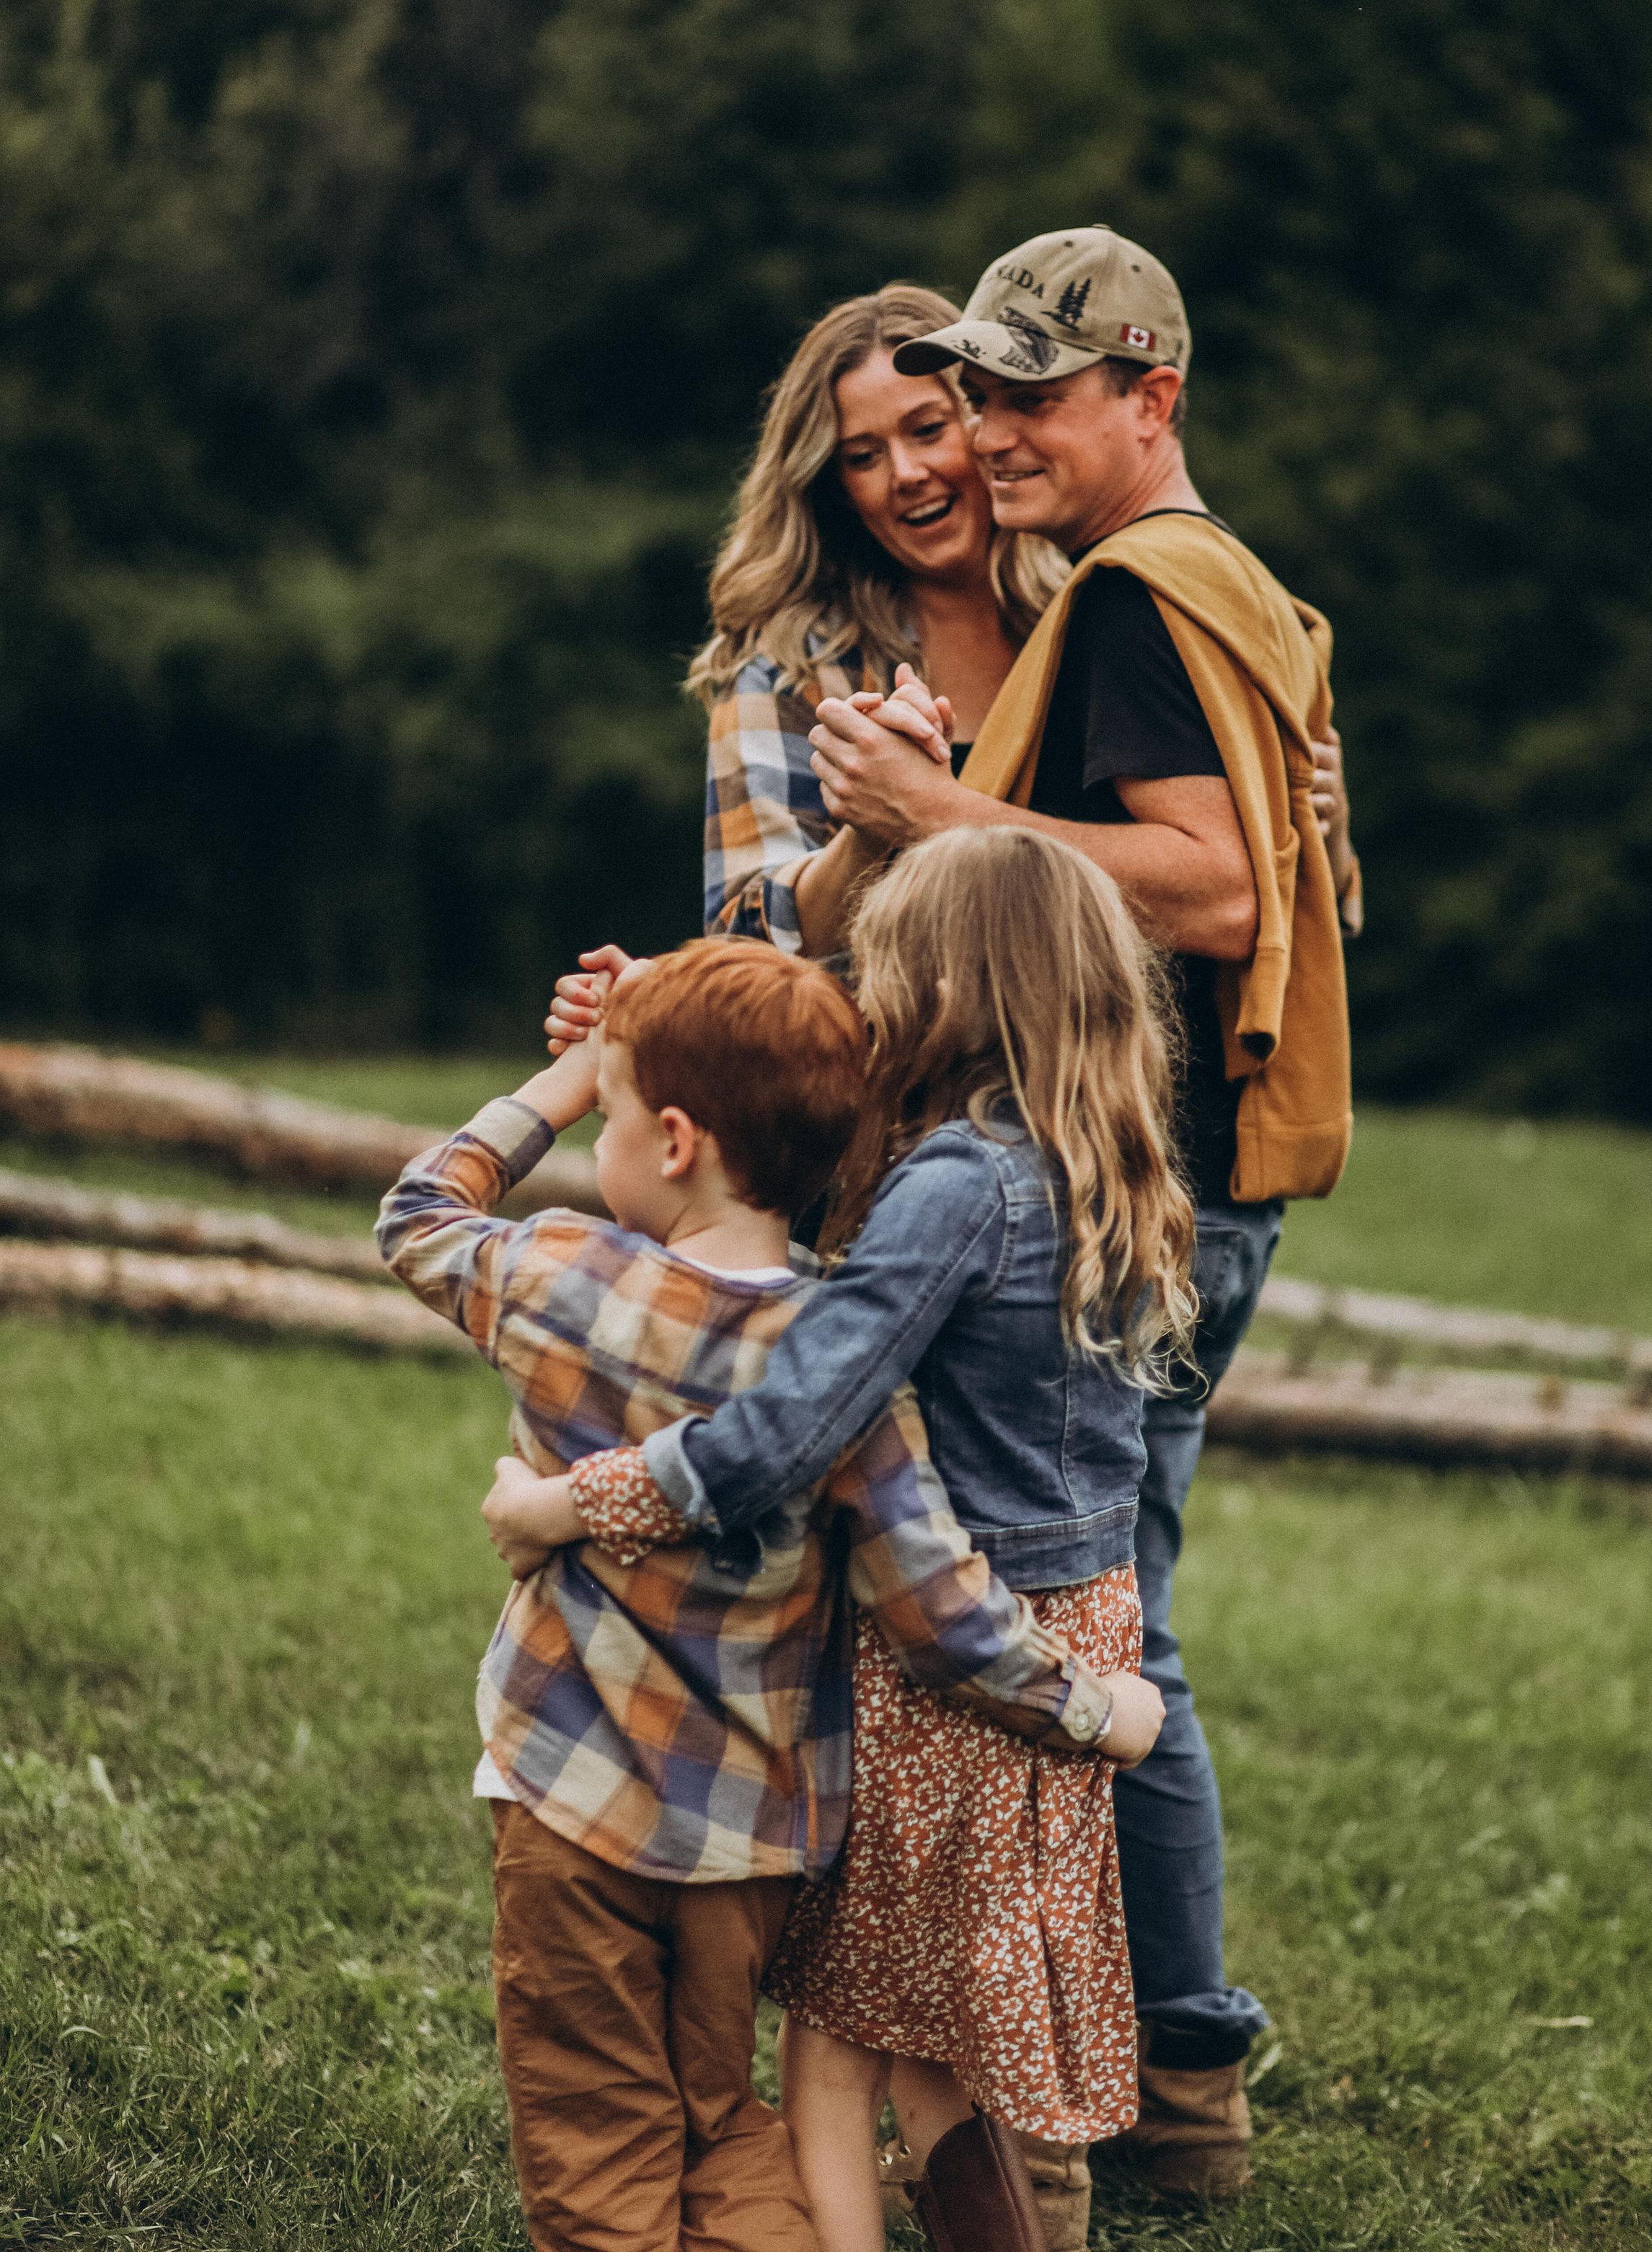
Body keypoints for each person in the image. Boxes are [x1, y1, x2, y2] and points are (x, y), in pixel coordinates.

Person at [790, 226, 1364, 2199]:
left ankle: (1161, 2082)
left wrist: (930, 815)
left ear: (1150, 396)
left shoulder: (1132, 597)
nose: (997, 430)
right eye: (985, 390)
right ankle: (1141, 2078)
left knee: (1107, 1626)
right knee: (1109, 1613)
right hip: (1185, 1181)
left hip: (1146, 1188)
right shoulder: (1227, 583)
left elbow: (1212, 891)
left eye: (1036, 393)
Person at [376, 936, 1157, 2252]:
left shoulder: (558, 1275)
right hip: (751, 1846)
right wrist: (1094, 1710)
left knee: (599, 2124)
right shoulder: (844, 1372)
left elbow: (416, 1214)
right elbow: (944, 1615)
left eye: (614, 1113)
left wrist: (560, 1079)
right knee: (718, 2113)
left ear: (674, 1141)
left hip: (567, 1806)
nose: (602, 1128)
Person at [689, 282, 1064, 957]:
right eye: (863, 457)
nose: (907, 473)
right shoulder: (790, 670)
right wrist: (870, 829)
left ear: (989, 423)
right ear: (836, 490)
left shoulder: (1082, 621)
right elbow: (746, 947)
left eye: (928, 430)